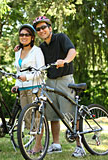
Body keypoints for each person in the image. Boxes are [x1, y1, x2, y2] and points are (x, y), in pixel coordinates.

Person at [32, 16, 84, 157]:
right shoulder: (42, 47)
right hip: (50, 81)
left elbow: (72, 51)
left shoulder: (61, 38)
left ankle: (80, 146)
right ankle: (56, 144)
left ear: (50, 28)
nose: (41, 30)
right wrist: (21, 47)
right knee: (52, 115)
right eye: (38, 29)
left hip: (65, 80)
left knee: (70, 113)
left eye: (44, 27)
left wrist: (65, 61)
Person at [11, 24, 45, 153]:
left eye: (26, 35)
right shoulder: (18, 51)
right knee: (27, 118)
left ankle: (38, 145)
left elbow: (41, 72)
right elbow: (18, 71)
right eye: (21, 35)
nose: (23, 37)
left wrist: (28, 77)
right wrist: (17, 84)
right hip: (23, 89)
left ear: (32, 37)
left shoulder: (37, 51)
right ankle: (37, 143)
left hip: (35, 88)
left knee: (37, 117)